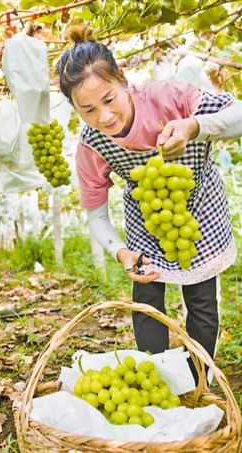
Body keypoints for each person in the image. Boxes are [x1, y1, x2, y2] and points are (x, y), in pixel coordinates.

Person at [55, 25, 242, 383]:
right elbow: (96, 213)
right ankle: (156, 380)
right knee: (146, 301)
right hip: (148, 221)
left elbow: (239, 115)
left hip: (201, 213)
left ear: (123, 80)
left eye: (109, 99)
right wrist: (120, 252)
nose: (104, 117)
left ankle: (198, 379)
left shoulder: (169, 96)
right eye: (88, 110)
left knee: (201, 301)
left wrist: (195, 126)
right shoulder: (91, 144)